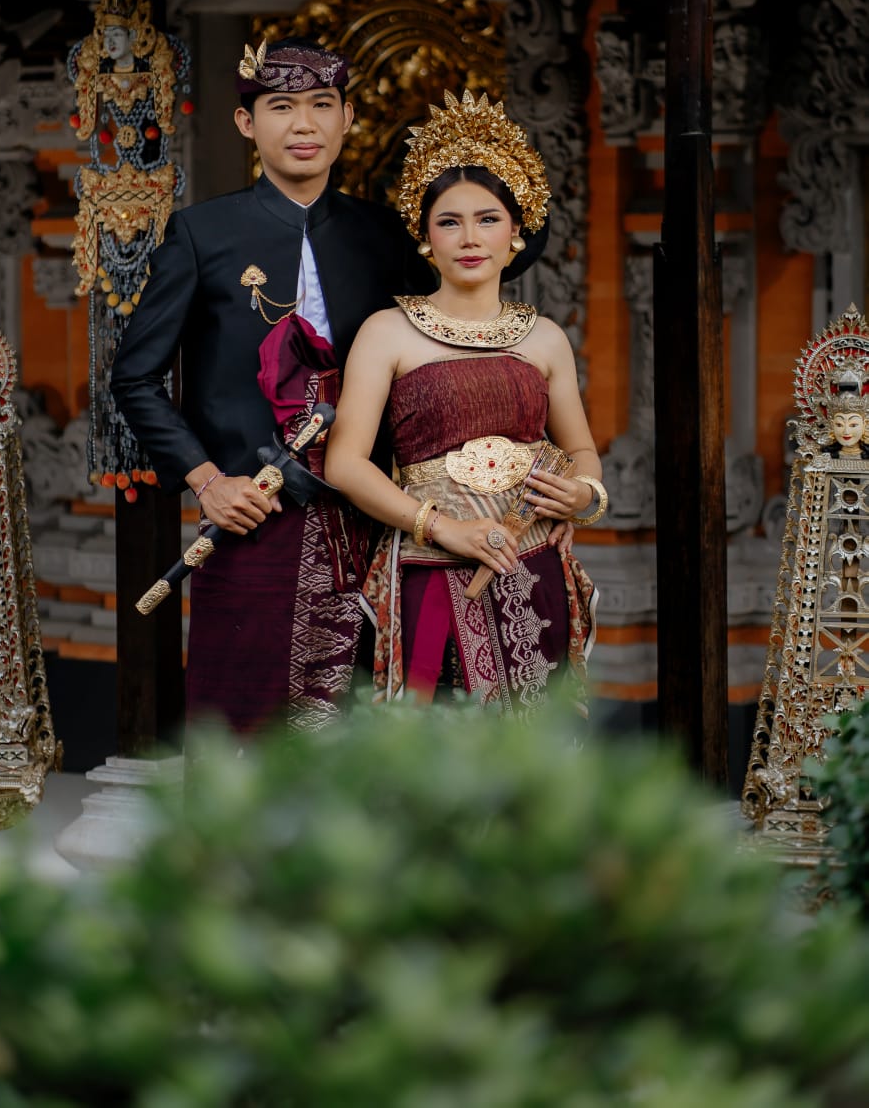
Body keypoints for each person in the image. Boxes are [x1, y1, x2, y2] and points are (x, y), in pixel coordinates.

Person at [112, 41, 547, 733]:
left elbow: (468, 294)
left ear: (347, 119)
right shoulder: (201, 233)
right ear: (246, 122)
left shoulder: (387, 235)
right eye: (281, 107)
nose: (303, 124)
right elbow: (134, 377)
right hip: (251, 515)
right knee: (242, 728)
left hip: (376, 518)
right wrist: (207, 481)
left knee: (369, 727)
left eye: (321, 105)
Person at [324, 89, 603, 715]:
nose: (470, 238)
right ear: (425, 236)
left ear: (517, 230)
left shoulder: (544, 338)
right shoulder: (387, 332)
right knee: (441, 741)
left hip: (534, 565)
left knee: (539, 749)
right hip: (432, 568)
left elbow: (582, 450)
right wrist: (444, 528)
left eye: (488, 219)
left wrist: (584, 494)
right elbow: (344, 464)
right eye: (449, 221)